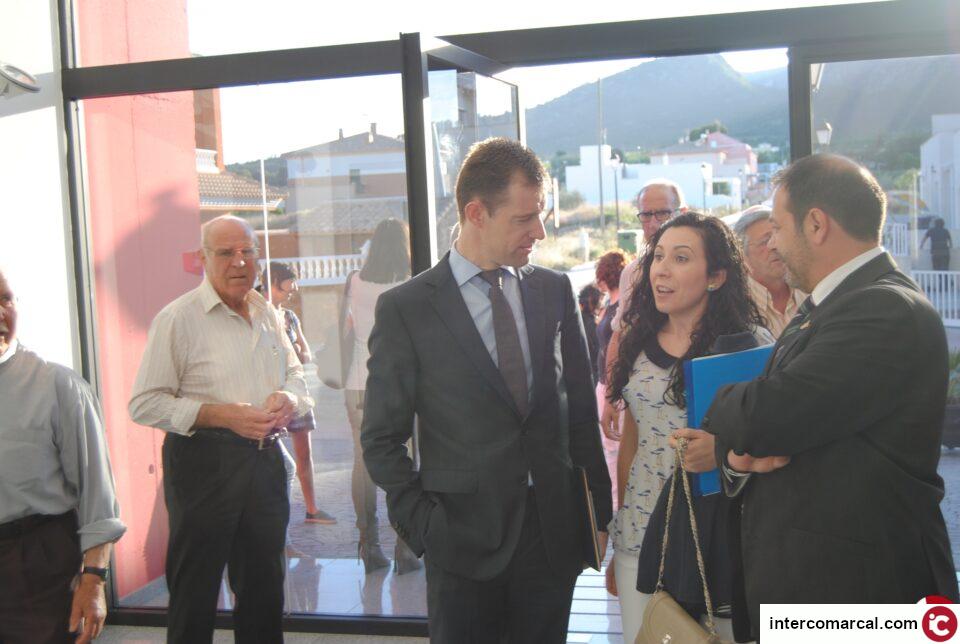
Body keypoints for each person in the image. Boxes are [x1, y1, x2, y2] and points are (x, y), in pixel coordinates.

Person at [361, 138, 612, 643]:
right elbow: (381, 439)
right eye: (525, 218)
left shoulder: (553, 290)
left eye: (540, 215)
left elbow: (580, 411)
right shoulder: (407, 308)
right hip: (460, 543)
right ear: (476, 213)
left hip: (551, 538)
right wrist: (425, 526)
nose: (539, 232)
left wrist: (597, 515)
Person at [704, 154, 959, 639]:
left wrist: (721, 402)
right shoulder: (833, 305)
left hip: (861, 597)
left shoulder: (884, 309)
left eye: (777, 229)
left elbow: (767, 416)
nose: (773, 244)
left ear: (817, 225)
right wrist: (739, 454)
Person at [129, 215, 314, 644]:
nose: (239, 262)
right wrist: (222, 415)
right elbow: (144, 403)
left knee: (265, 592)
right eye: (226, 252)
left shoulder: (267, 312)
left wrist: (289, 398)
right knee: (195, 595)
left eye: (248, 251)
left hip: (265, 462)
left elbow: (296, 375)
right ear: (202, 259)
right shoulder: (177, 319)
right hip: (203, 464)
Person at [603, 213, 768, 643]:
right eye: (658, 257)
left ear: (716, 277)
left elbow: (772, 443)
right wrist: (621, 530)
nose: (662, 270)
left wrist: (721, 449)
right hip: (641, 536)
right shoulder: (638, 341)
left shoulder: (748, 346)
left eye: (680, 258)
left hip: (718, 541)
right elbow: (633, 442)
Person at [0, 268, 126, 644]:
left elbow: (97, 497)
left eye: (5, 299)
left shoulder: (57, 386)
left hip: (35, 565)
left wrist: (94, 580)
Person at [341, 217, 419, 574]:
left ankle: (369, 545)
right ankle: (406, 547)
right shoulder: (412, 282)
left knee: (363, 462)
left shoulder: (354, 281)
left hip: (359, 381)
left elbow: (347, 328)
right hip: (403, 384)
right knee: (407, 461)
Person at [599, 181, 686, 442]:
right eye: (646, 215)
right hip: (645, 401)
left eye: (663, 213)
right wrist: (611, 396)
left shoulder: (706, 265)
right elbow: (620, 335)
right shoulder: (633, 273)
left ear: (681, 212)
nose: (653, 222)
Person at [263, 262, 337, 525]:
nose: (293, 290)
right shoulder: (257, 315)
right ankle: (275, 519)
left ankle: (311, 509)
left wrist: (296, 350)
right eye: (288, 285)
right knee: (273, 460)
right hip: (269, 395)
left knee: (304, 454)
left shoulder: (290, 317)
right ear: (274, 282)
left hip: (295, 391)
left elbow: (306, 353)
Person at [733, 205, 806, 337]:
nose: (775, 245)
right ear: (742, 254)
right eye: (765, 241)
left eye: (779, 236)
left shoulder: (809, 291)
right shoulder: (737, 307)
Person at [594, 250, 628, 505]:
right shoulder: (611, 304)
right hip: (605, 385)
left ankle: (618, 502)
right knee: (611, 447)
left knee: (614, 446)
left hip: (613, 388)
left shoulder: (621, 307)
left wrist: (610, 396)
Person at [578, 283, 602, 383]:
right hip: (594, 373)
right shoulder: (593, 324)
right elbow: (598, 350)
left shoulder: (577, 320)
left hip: (581, 372)